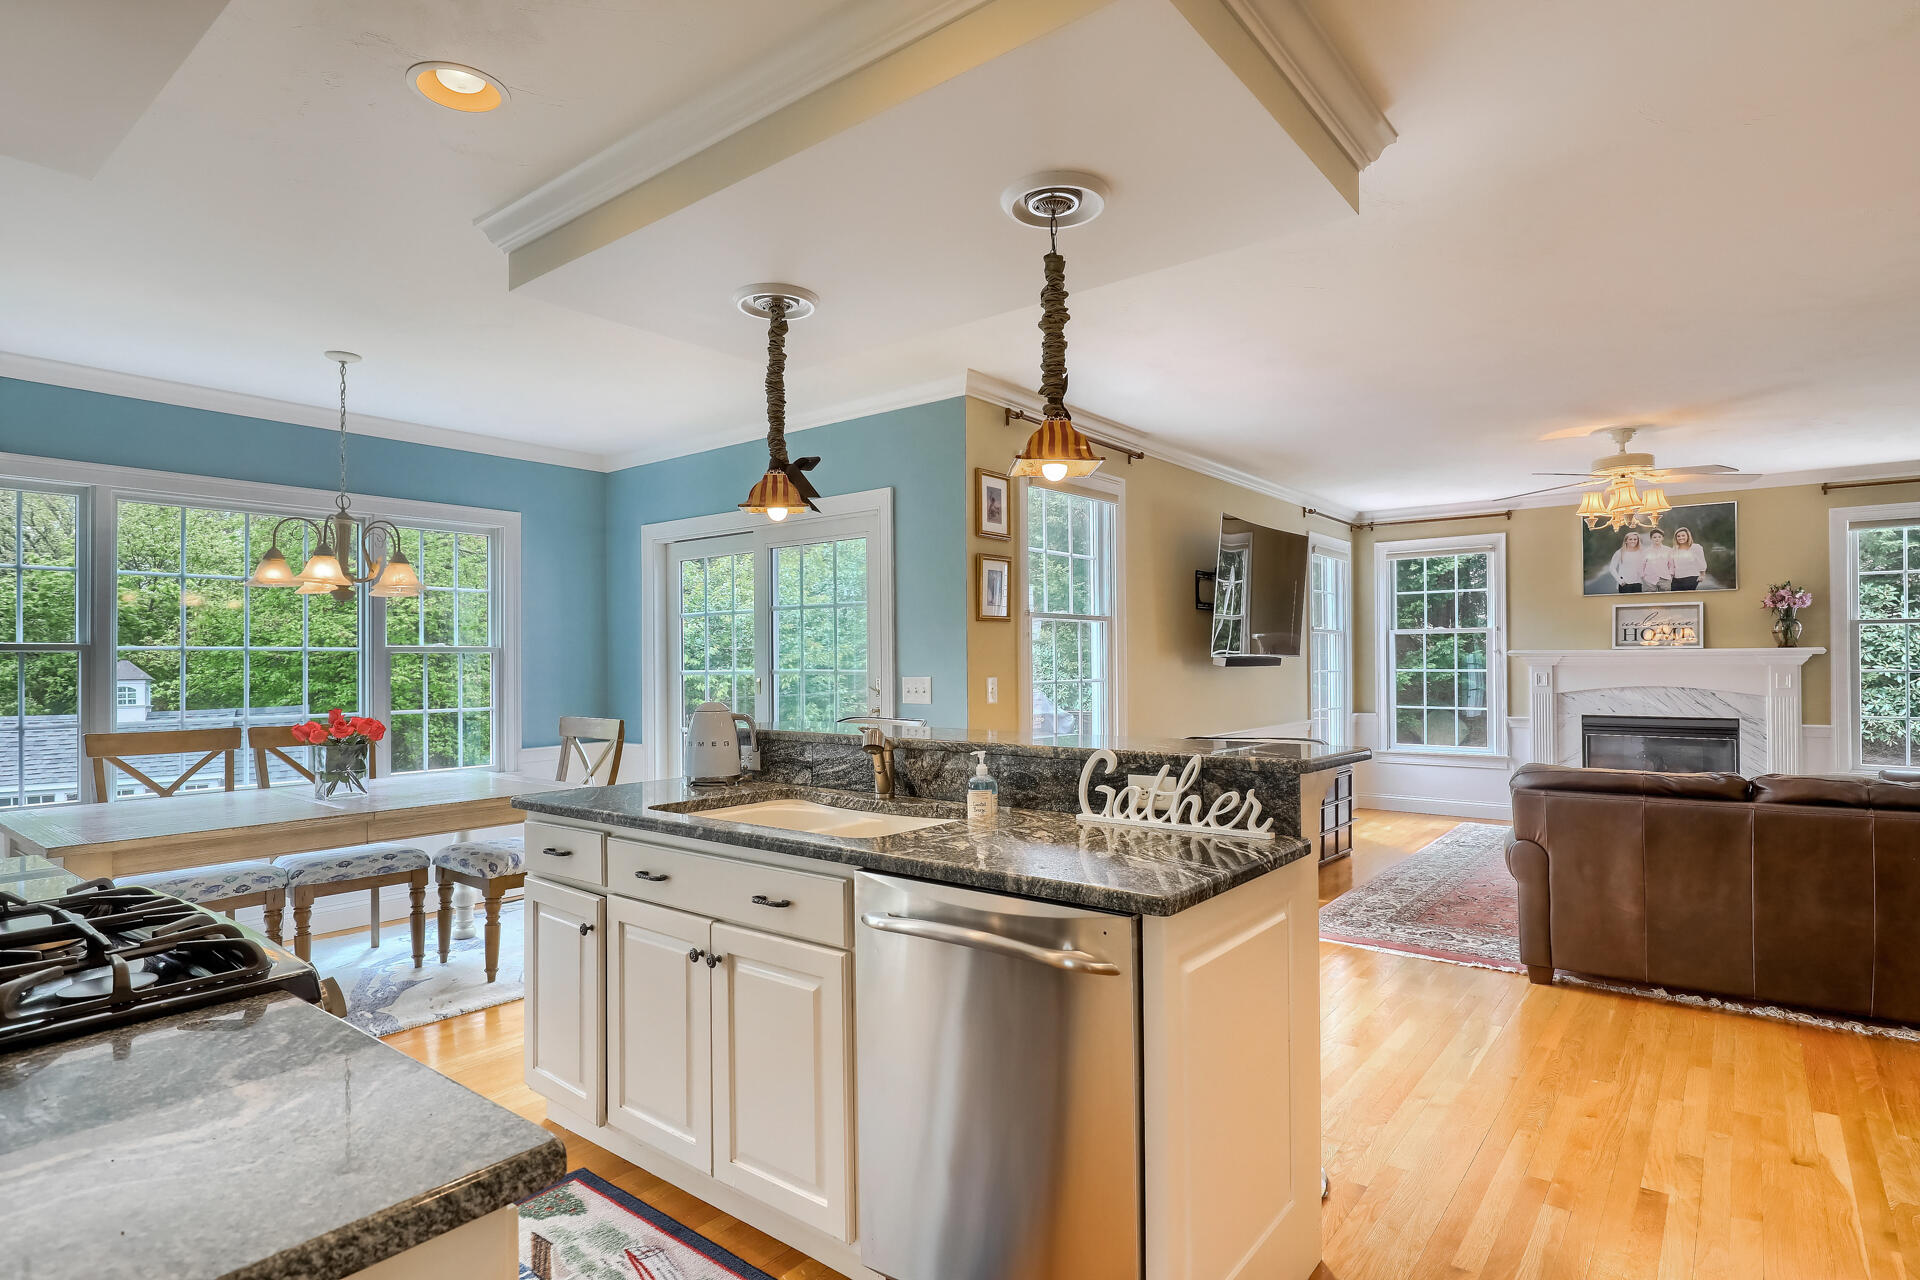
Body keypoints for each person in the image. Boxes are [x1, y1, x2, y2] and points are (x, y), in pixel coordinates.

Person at [1669, 526, 1707, 591]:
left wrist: (1702, 574)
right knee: (1675, 597)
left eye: (1683, 535)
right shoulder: (1674, 549)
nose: (1681, 538)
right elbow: (1672, 564)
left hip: (1691, 577)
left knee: (1687, 597)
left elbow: (1701, 561)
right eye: (1678, 536)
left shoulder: (1696, 547)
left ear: (1688, 536)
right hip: (1677, 578)